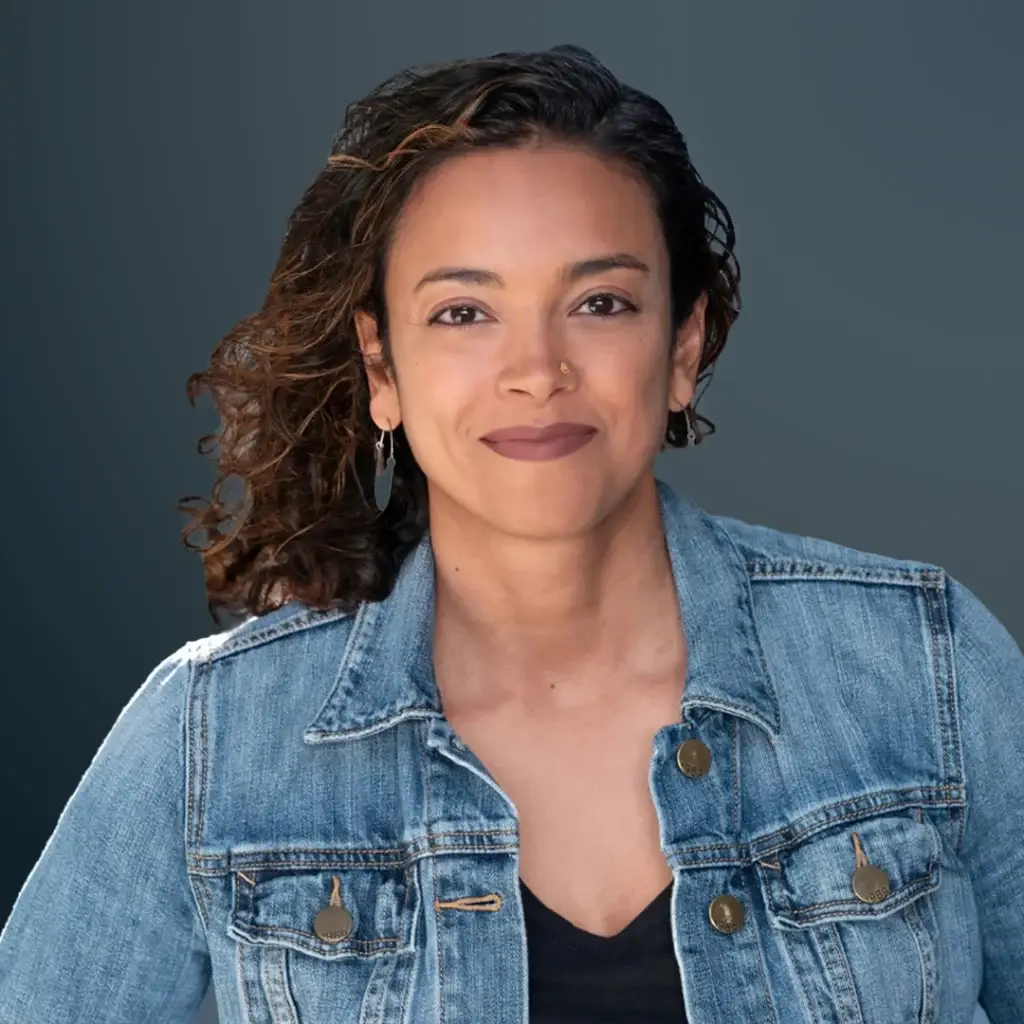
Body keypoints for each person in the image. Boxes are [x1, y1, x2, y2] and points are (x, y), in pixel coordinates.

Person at [0, 42, 1021, 1024]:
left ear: (683, 346)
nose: (536, 368)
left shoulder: (924, 666)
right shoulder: (214, 736)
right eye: (461, 313)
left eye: (600, 301)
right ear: (383, 369)